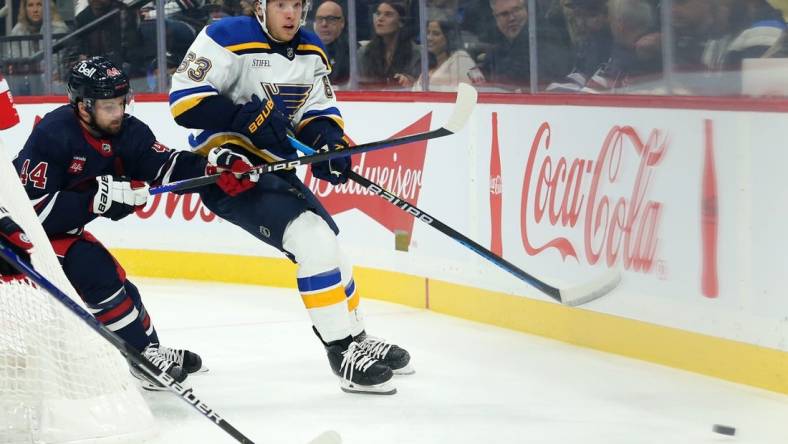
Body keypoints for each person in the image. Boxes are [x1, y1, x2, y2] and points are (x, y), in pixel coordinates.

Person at [169, 0, 412, 395]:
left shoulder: (312, 49)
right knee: (314, 240)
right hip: (230, 174)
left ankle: (356, 334)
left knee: (330, 248)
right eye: (281, 4)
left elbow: (317, 110)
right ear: (261, 7)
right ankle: (342, 351)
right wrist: (239, 118)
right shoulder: (225, 36)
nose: (290, 14)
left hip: (274, 171)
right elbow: (184, 101)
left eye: (297, 5)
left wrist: (327, 144)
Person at [11, 56, 251, 390]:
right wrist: (96, 199)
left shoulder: (129, 131)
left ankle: (151, 351)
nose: (118, 113)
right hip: (17, 236)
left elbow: (163, 165)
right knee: (94, 268)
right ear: (83, 107)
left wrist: (210, 170)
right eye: (109, 106)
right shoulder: (53, 133)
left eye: (121, 104)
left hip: (62, 232)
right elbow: (30, 212)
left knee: (122, 287)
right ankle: (142, 358)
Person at [478, 0, 569, 91]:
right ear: (496, 18)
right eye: (504, 14)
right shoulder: (497, 45)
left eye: (516, 10)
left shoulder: (545, 37)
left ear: (526, 10)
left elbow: (529, 79)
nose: (511, 18)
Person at [358, 0, 421, 88]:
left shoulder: (416, 53)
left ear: (401, 22)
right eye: (378, 13)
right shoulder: (364, 52)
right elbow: (358, 86)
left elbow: (420, 87)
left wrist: (410, 81)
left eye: (388, 14)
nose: (380, 19)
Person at [412, 19, 478, 91]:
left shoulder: (463, 59)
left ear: (449, 37)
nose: (429, 38)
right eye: (428, 33)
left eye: (436, 34)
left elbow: (479, 86)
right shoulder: (424, 63)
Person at [313, 0, 349, 85]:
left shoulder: (353, 53)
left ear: (342, 22)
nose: (324, 24)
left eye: (330, 19)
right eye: (320, 19)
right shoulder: (302, 51)